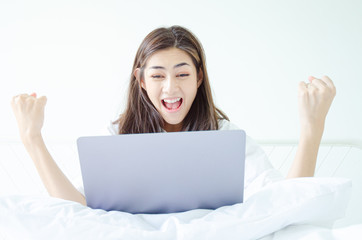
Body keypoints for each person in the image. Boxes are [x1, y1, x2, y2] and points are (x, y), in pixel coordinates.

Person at [10, 25, 336, 206]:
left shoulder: (224, 135)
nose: (170, 88)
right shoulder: (117, 136)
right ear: (140, 80)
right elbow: (77, 207)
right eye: (157, 76)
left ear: (199, 78)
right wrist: (32, 140)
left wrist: (311, 130)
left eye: (182, 74)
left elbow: (287, 202)